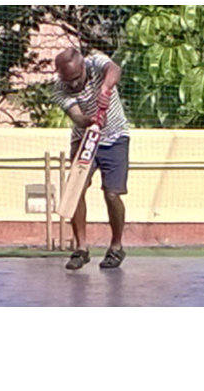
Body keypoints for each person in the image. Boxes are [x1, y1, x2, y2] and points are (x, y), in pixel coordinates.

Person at [51, 47, 130, 270]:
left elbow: (114, 69)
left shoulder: (96, 62)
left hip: (115, 137)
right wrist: (90, 120)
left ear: (83, 66)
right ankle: (81, 249)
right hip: (85, 138)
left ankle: (116, 247)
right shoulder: (59, 90)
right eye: (68, 80)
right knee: (76, 189)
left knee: (112, 194)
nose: (73, 84)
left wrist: (105, 88)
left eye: (76, 78)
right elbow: (77, 116)